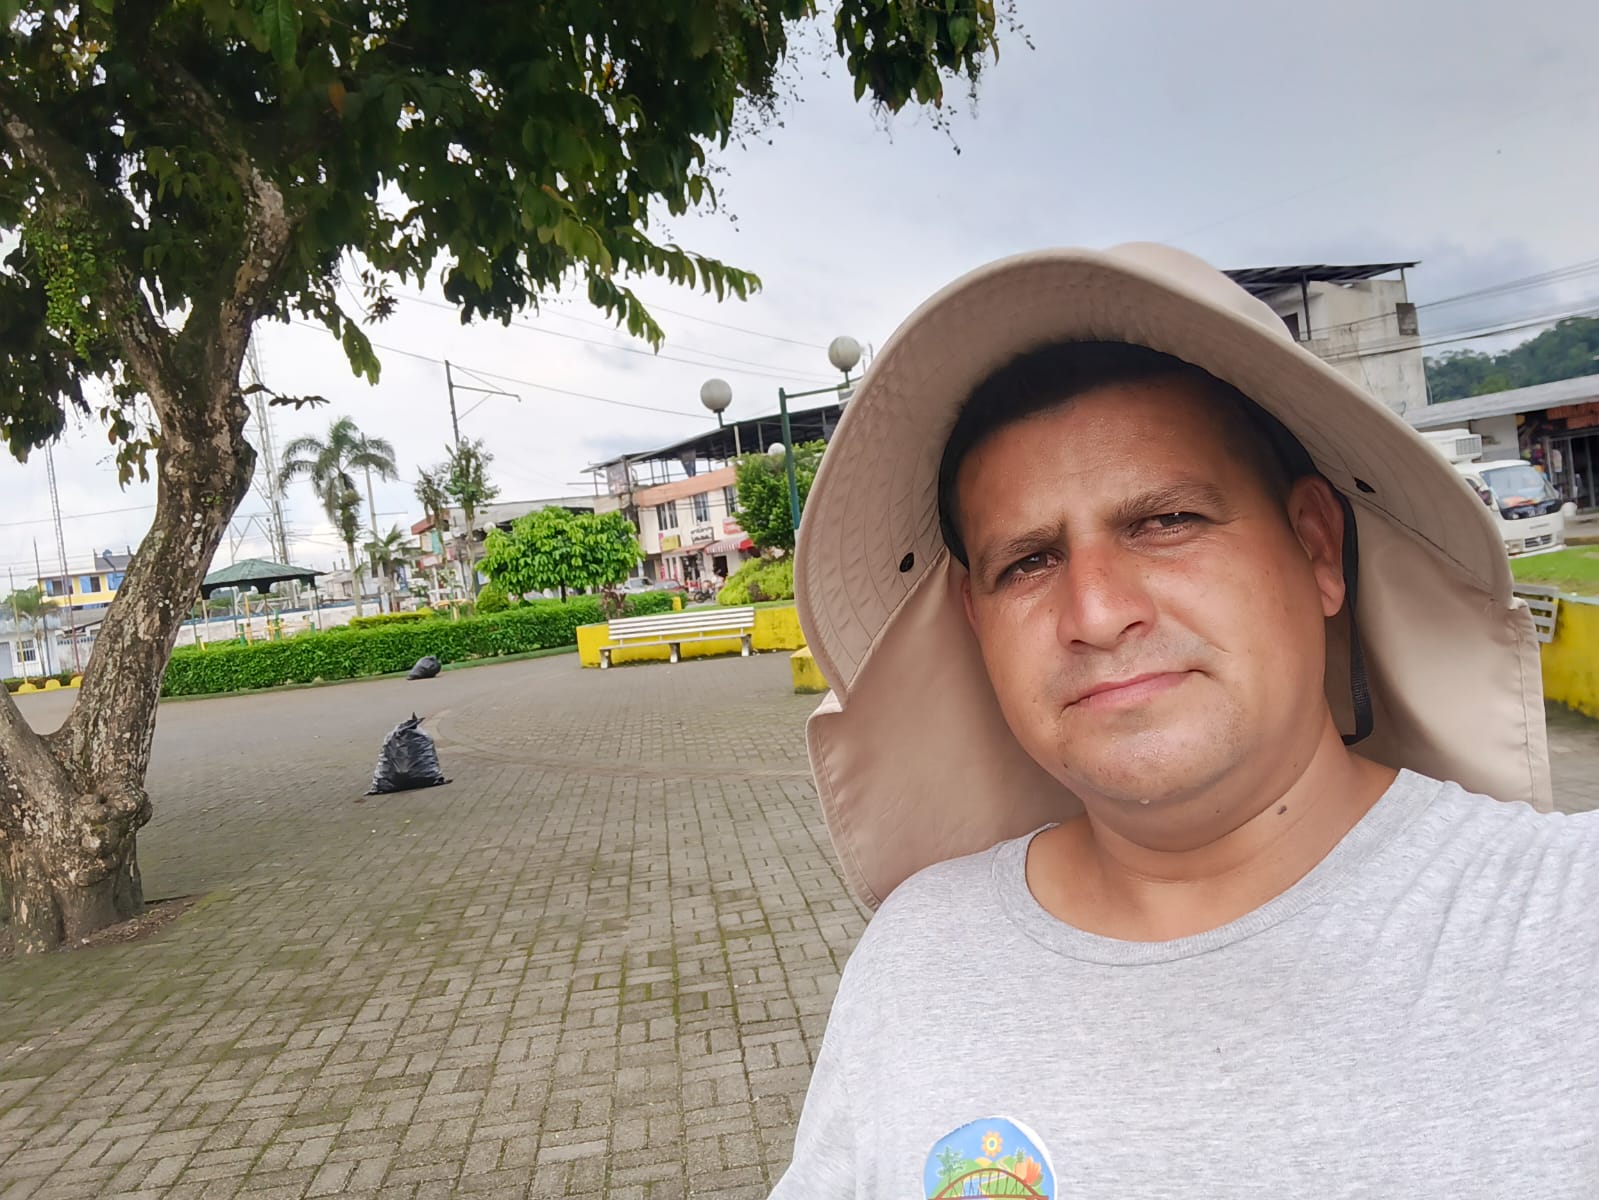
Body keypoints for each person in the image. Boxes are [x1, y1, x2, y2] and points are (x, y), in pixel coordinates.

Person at [773, 244, 1599, 1198]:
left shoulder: (1565, 918)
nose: (1095, 613)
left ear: (1315, 548)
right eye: (1028, 562)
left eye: (1165, 522)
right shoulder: (918, 957)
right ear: (975, 620)